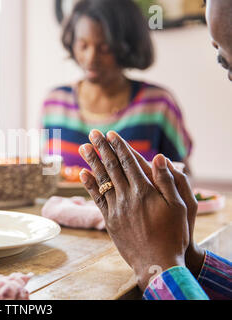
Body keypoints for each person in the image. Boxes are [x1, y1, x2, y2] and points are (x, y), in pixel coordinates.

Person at [78, 0, 231, 300]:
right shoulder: (56, 99)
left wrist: (157, 265)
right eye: (224, 62)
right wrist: (188, 262)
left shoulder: (157, 103)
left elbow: (183, 166)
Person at [42, 0, 192, 173]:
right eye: (83, 45)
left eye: (104, 48)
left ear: (128, 46)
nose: (91, 58)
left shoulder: (157, 104)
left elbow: (182, 176)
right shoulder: (54, 103)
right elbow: (47, 174)